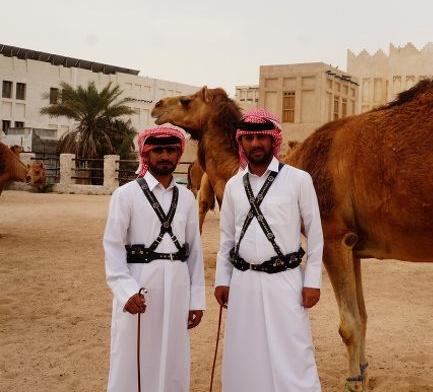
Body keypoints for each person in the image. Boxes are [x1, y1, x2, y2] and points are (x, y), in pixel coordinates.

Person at [214, 109, 324, 392]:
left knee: (292, 348)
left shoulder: (298, 180)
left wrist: (312, 281)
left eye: (261, 137)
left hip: (285, 279)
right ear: (241, 142)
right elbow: (227, 237)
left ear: (273, 140)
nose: (255, 144)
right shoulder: (234, 185)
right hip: (243, 279)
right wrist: (222, 279)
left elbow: (315, 234)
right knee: (244, 348)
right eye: (249, 138)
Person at [103, 126, 205, 392]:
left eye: (171, 150)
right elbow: (113, 247)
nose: (165, 156)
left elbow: (194, 251)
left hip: (177, 286)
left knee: (172, 355)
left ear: (178, 154)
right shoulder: (125, 195)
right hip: (139, 286)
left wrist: (196, 300)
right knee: (131, 355)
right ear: (146, 154)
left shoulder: (186, 198)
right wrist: (125, 291)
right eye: (158, 150)